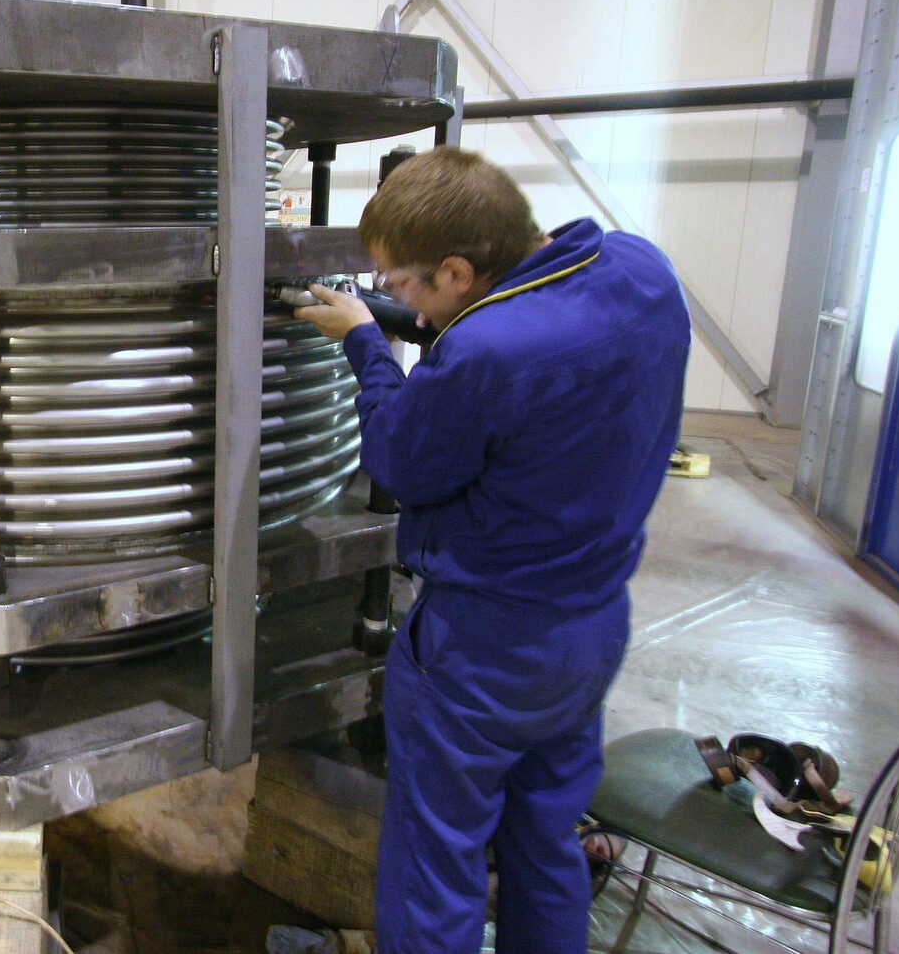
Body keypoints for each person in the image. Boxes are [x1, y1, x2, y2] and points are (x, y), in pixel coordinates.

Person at [294, 146, 690, 953]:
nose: (400, 300)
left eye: (403, 285)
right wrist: (404, 315)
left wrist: (368, 344)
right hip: (589, 630)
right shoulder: (646, 276)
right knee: (545, 842)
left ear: (457, 272)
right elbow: (527, 331)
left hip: (480, 655)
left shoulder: (484, 355)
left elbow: (403, 457)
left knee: (436, 867)